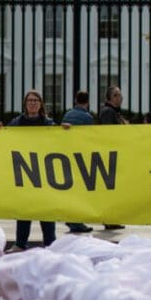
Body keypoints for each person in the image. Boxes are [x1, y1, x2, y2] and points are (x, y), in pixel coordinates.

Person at [0, 89, 71, 250]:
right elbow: (6, 137)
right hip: (24, 171)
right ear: (25, 104)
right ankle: (21, 243)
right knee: (24, 209)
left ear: (40, 104)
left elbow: (59, 141)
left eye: (36, 100)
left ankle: (50, 243)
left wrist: (65, 130)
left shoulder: (48, 123)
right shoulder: (17, 122)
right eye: (30, 101)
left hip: (44, 171)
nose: (33, 103)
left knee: (46, 210)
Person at [61, 90, 97, 234]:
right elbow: (90, 136)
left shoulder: (68, 115)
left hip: (67, 154)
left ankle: (72, 217)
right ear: (87, 102)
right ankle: (76, 221)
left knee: (71, 189)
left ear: (75, 100)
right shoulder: (87, 117)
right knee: (80, 190)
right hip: (81, 156)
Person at [94, 87, 128, 230]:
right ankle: (110, 219)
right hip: (109, 155)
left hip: (113, 154)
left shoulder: (114, 112)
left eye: (120, 95)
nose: (119, 98)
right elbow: (109, 134)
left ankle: (112, 218)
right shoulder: (108, 112)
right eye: (115, 95)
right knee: (110, 188)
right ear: (109, 99)